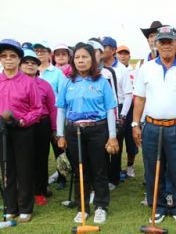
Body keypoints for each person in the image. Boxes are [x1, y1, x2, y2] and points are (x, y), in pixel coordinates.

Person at [133, 25, 176, 223]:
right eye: (162, 42)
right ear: (156, 44)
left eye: (170, 42)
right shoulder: (146, 68)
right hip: (152, 126)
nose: (166, 46)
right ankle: (159, 205)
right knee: (153, 168)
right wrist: (134, 124)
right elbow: (139, 99)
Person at [56, 42, 118, 224]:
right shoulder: (67, 82)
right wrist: (60, 135)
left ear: (93, 59)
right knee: (79, 170)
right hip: (73, 131)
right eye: (77, 57)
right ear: (72, 60)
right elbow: (61, 109)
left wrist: (112, 135)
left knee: (99, 169)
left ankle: (101, 206)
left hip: (98, 129)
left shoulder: (102, 81)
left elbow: (110, 109)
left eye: (85, 57)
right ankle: (82, 207)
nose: (81, 61)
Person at [0, 39, 42, 222]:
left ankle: (25, 207)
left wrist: (24, 121)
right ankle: (11, 207)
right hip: (2, 130)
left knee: (24, 170)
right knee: (7, 170)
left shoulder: (28, 82)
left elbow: (37, 108)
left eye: (12, 56)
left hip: (23, 129)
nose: (8, 59)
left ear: (19, 60)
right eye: (4, 56)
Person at [20, 49, 56, 206]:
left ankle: (40, 191)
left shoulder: (44, 85)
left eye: (33, 63)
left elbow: (53, 107)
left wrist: (55, 129)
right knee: (24, 159)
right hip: (22, 124)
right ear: (20, 65)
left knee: (41, 158)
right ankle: (24, 191)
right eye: (26, 62)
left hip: (42, 123)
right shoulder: (16, 83)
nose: (30, 65)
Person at [33, 41, 67, 190]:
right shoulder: (32, 69)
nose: (40, 53)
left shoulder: (57, 73)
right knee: (40, 151)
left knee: (58, 148)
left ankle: (62, 176)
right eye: (37, 51)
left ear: (49, 54)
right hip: (36, 116)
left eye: (43, 51)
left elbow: (62, 94)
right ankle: (42, 181)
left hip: (54, 114)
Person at [102, 36, 133, 190]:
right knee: (101, 142)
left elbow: (128, 94)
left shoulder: (122, 69)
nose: (102, 49)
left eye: (105, 46)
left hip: (118, 107)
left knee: (116, 143)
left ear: (113, 50)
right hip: (101, 108)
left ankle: (113, 178)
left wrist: (123, 115)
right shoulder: (97, 68)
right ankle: (103, 175)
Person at [116, 45, 138, 177]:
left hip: (131, 108)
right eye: (120, 53)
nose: (123, 56)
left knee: (131, 140)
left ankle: (130, 166)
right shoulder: (115, 69)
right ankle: (116, 168)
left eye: (125, 54)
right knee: (117, 139)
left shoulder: (134, 70)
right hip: (118, 106)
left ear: (129, 56)